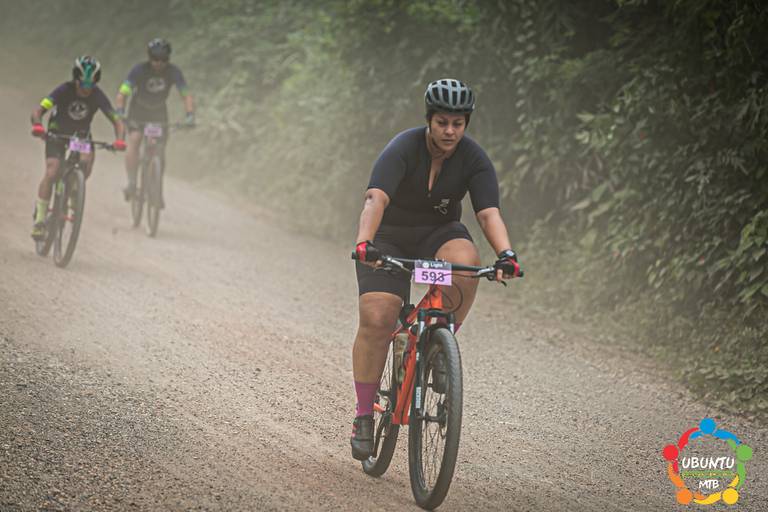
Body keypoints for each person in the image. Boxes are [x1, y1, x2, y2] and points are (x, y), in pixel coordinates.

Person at [350, 78, 522, 460]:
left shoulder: (473, 158)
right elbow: (375, 198)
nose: (449, 131)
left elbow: (488, 212)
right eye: (442, 122)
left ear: (466, 124)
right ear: (429, 120)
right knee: (378, 318)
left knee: (466, 263)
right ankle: (363, 415)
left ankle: (440, 343)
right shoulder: (403, 147)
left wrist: (506, 254)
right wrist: (365, 243)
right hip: (389, 241)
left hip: (436, 238)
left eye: (457, 124)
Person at [30, 55, 126, 240]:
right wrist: (38, 125)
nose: (86, 89)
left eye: (91, 85)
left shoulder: (98, 95)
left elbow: (116, 120)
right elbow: (39, 111)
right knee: (52, 171)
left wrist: (120, 140)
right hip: (57, 131)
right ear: (75, 79)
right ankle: (40, 220)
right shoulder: (63, 90)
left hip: (80, 134)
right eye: (83, 84)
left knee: (86, 163)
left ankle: (74, 190)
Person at [114, 38, 195, 206]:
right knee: (135, 139)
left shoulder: (173, 72)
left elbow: (186, 94)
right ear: (149, 58)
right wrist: (120, 112)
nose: (159, 63)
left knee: (160, 149)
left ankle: (156, 189)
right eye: (155, 59)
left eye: (163, 60)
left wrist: (190, 116)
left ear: (168, 59)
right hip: (138, 110)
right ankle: (132, 182)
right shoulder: (139, 70)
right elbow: (123, 93)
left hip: (158, 112)